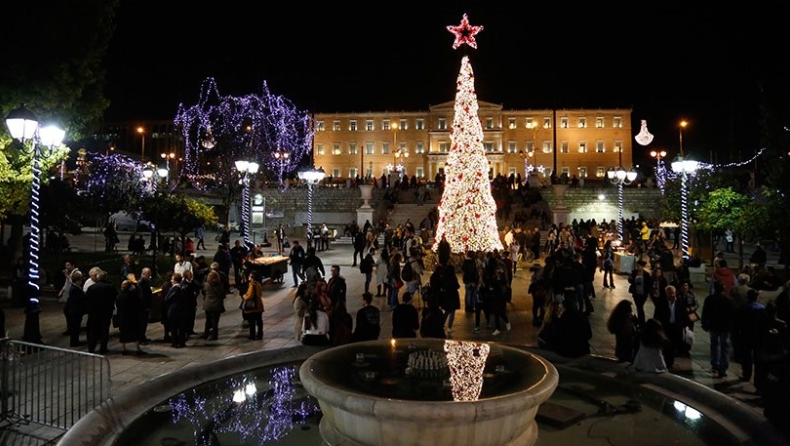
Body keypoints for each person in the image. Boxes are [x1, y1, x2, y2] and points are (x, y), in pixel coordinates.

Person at [701, 280, 737, 378]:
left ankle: (715, 363)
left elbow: (705, 313)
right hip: (725, 327)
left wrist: (704, 324)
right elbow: (734, 314)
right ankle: (723, 367)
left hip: (714, 325)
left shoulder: (709, 299)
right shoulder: (729, 300)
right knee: (725, 347)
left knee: (714, 344)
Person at [653, 284, 689, 368]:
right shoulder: (661, 303)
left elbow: (684, 315)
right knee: (666, 345)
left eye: (673, 293)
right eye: (670, 293)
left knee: (675, 344)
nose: (672, 295)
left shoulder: (680, 302)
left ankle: (671, 361)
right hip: (666, 327)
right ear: (666, 294)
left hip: (676, 327)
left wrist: (686, 326)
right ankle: (667, 361)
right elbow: (657, 315)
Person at [734, 289, 766, 384]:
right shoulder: (761, 308)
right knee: (757, 358)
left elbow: (738, 322)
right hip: (758, 335)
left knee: (746, 357)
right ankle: (758, 380)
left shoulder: (743, 307)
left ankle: (746, 374)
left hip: (746, 335)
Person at [85, 270, 117, 354]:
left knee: (94, 330)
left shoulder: (92, 288)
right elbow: (115, 297)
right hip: (106, 312)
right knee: (104, 330)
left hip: (94, 312)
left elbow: (87, 298)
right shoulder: (110, 287)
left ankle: (91, 347)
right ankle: (103, 348)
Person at [117, 278, 146, 356]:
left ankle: (124, 349)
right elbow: (139, 304)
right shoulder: (133, 295)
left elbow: (118, 306)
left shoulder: (119, 296)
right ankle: (137, 348)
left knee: (123, 333)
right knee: (135, 332)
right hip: (132, 317)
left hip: (123, 317)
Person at [164, 273, 189, 348]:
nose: (171, 281)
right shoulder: (184, 288)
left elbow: (167, 299)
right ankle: (182, 342)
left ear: (175, 281)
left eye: (172, 279)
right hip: (182, 310)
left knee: (174, 328)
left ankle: (174, 342)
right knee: (181, 327)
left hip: (174, 310)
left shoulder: (174, 289)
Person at [64, 270, 86, 347]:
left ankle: (75, 341)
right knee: (75, 327)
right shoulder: (75, 289)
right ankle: (74, 342)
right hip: (75, 311)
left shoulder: (74, 288)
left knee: (75, 327)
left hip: (74, 310)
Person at [201, 270, 226, 340]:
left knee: (208, 320)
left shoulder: (206, 285)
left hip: (208, 305)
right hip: (217, 306)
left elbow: (203, 292)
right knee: (215, 321)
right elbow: (222, 295)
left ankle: (206, 333)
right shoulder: (220, 285)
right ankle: (214, 335)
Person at [628, 260, 652, 327]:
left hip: (643, 293)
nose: (637, 267)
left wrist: (647, 292)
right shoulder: (634, 273)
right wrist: (630, 278)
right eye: (637, 266)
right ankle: (641, 321)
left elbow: (648, 283)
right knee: (639, 307)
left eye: (639, 266)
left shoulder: (646, 274)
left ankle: (641, 321)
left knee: (640, 307)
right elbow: (630, 281)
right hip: (636, 293)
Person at [241, 271, 264, 340]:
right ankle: (260, 334)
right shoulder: (258, 284)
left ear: (253, 278)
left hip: (253, 306)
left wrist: (244, 296)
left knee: (252, 321)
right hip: (259, 305)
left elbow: (250, 296)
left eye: (250, 276)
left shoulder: (252, 285)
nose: (248, 277)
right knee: (259, 321)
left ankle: (252, 335)